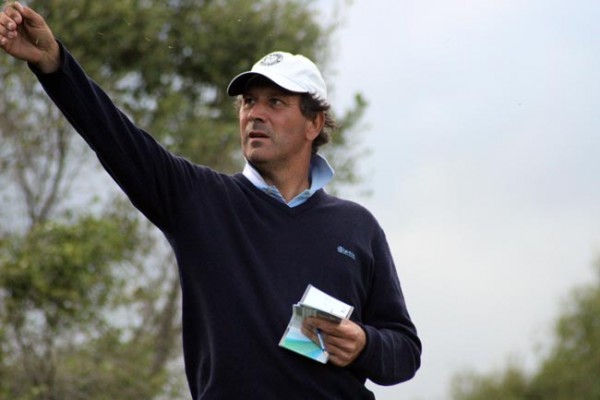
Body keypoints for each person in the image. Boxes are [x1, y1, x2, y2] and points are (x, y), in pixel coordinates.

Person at [0, 3, 421, 399]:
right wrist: (55, 64)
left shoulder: (357, 226)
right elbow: (114, 137)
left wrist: (365, 343)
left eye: (275, 102)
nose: (255, 114)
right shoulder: (198, 199)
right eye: (249, 102)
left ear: (314, 123)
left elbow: (405, 351)